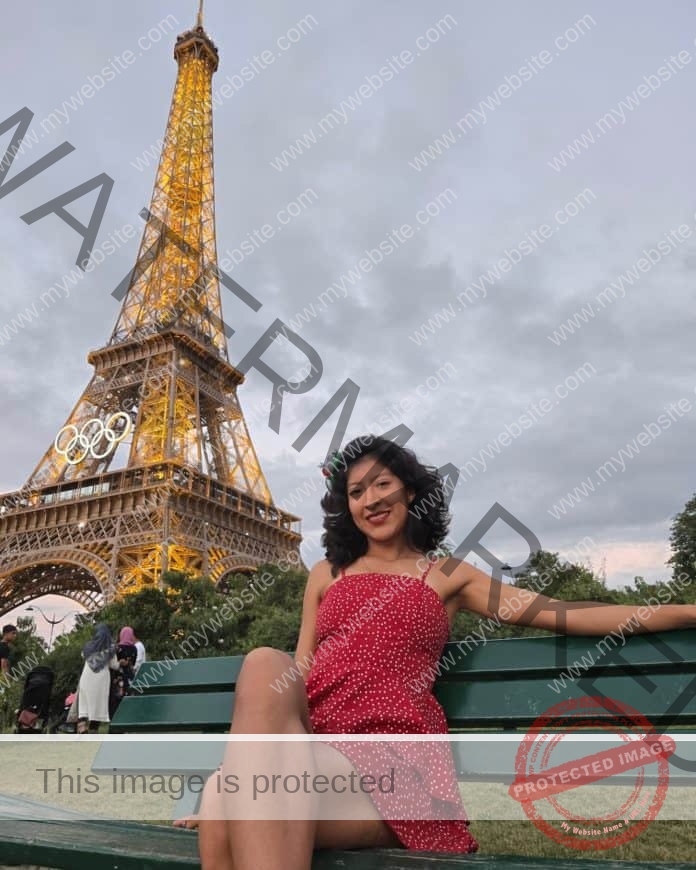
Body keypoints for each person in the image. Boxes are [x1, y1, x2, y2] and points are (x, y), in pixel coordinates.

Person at [176, 434, 696, 869]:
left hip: (391, 768)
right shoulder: (325, 575)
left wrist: (686, 612)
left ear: (410, 493)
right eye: (356, 491)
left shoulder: (447, 575)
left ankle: (240, 793)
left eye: (382, 484)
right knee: (265, 663)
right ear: (346, 506)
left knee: (228, 805)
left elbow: (566, 613)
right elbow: (298, 675)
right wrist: (244, 770)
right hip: (309, 755)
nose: (371, 499)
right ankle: (240, 789)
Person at [76, 624, 119, 734]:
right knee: (98, 704)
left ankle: (82, 727)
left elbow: (82, 655)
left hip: (86, 677)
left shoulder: (88, 646)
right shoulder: (110, 648)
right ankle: (94, 730)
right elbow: (115, 665)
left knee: (85, 703)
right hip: (101, 679)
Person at [109, 627, 138, 718]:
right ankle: (127, 718)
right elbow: (132, 663)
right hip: (129, 676)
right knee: (128, 698)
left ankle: (115, 720)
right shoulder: (134, 649)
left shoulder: (116, 648)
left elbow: (113, 663)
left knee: (116, 700)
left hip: (117, 677)